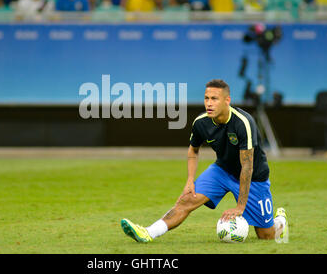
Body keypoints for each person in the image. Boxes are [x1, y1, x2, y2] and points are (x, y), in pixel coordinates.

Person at [121, 79, 289, 243]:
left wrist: (239, 207)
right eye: (206, 98)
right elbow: (193, 150)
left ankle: (280, 220)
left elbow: (247, 166)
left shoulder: (243, 122)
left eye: (214, 99)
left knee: (266, 235)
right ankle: (148, 232)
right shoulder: (201, 123)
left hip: (253, 178)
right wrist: (189, 181)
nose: (209, 103)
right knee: (187, 199)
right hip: (222, 171)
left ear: (227, 100)